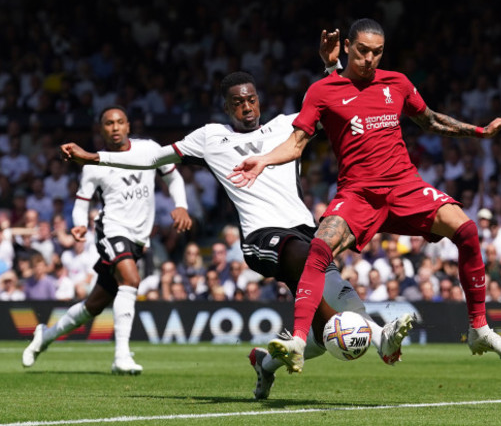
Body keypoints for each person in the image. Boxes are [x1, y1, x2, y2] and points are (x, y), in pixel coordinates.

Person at [60, 31, 414, 398]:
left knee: (331, 315)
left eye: (251, 99)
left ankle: (266, 362)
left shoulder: (286, 126)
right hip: (263, 239)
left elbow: (339, 102)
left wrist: (330, 66)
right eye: (238, 103)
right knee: (308, 269)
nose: (246, 107)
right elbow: (152, 157)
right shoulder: (211, 137)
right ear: (228, 108)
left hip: (306, 232)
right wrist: (94, 157)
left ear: (258, 101)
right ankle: (376, 337)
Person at [229, 18, 501, 372]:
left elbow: (430, 121)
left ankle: (479, 329)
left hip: (405, 187)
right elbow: (295, 144)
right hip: (358, 194)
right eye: (364, 51)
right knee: (318, 249)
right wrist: (262, 160)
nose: (370, 59)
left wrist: (481, 131)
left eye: (377, 52)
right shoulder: (322, 91)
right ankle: (296, 340)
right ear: (348, 48)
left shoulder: (396, 83)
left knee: (467, 230)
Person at [23, 105, 191, 375]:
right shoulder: (93, 165)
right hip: (112, 230)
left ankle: (45, 336)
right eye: (108, 123)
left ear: (128, 126)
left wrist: (181, 205)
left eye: (119, 122)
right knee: (131, 280)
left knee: (94, 305)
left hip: (138, 237)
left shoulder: (148, 149)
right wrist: (79, 225)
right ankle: (121, 356)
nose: (115, 128)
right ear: (101, 130)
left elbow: (173, 177)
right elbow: (81, 202)